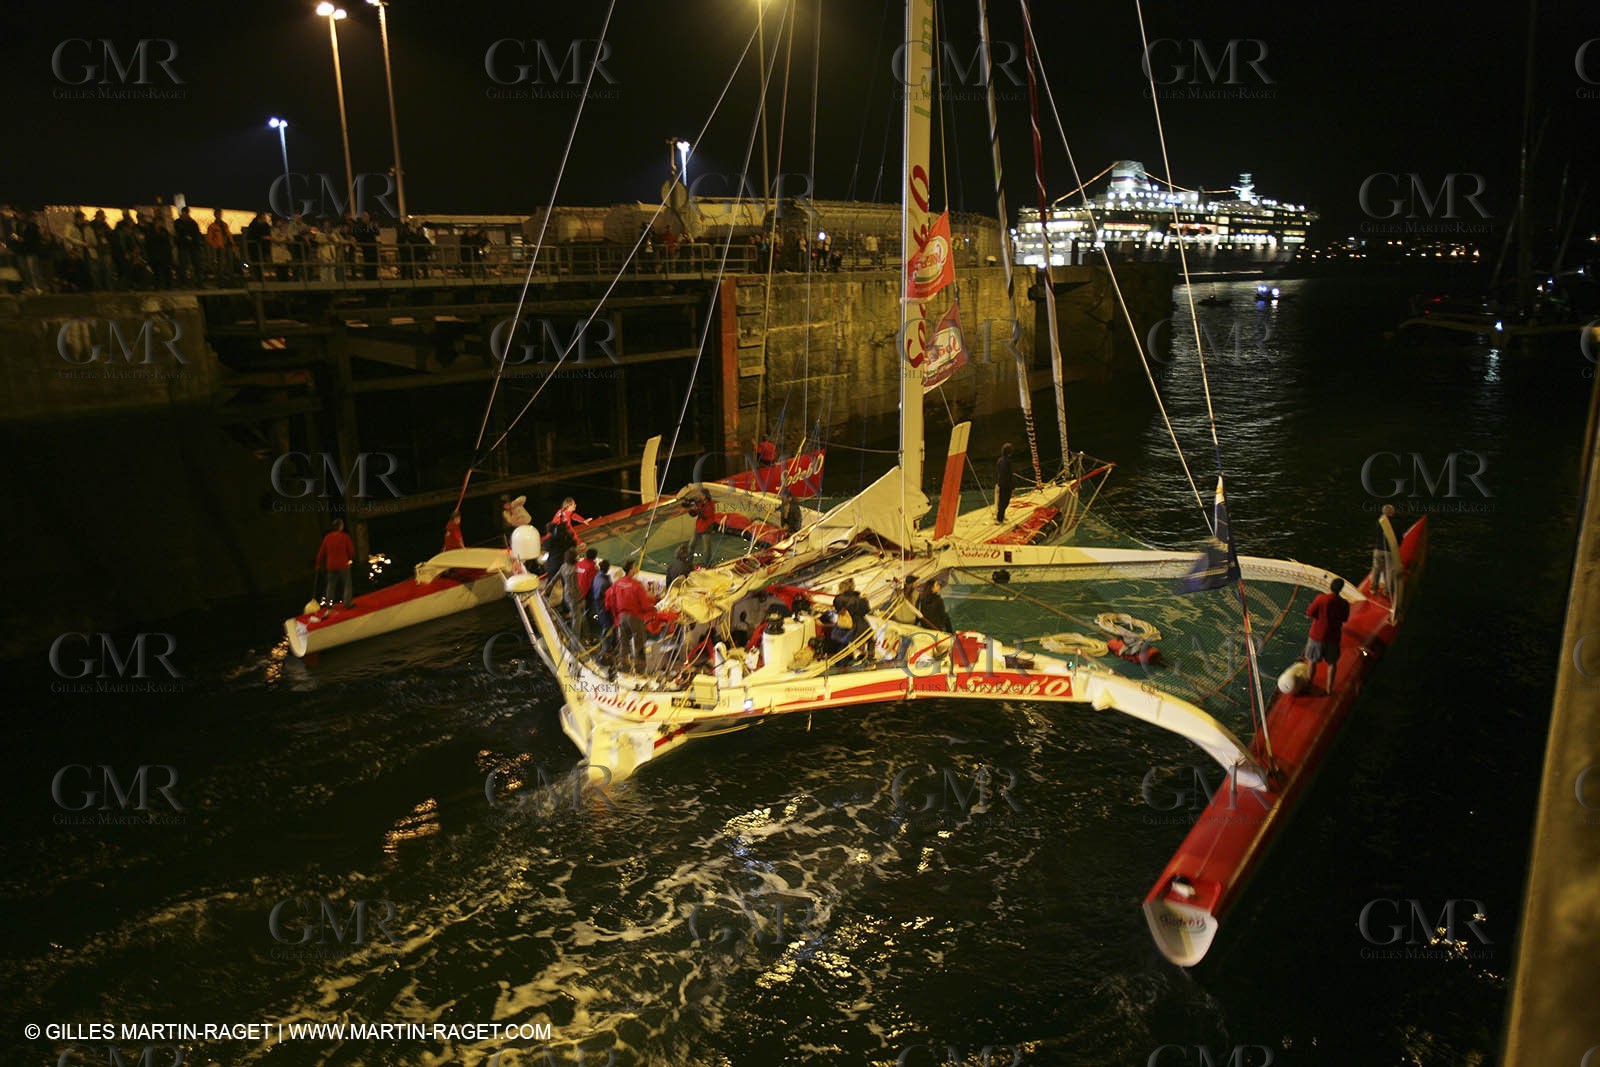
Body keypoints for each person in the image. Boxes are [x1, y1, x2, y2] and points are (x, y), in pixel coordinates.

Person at [605, 560, 656, 673]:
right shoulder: (636, 585)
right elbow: (644, 604)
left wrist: (616, 615)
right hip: (635, 617)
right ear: (632, 569)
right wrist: (653, 608)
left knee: (623, 643)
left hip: (622, 617)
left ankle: (624, 668)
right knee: (639, 644)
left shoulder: (617, 583)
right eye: (635, 567)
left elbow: (609, 600)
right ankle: (640, 670)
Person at [1303, 577, 1351, 694]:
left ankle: (1309, 685)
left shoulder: (1321, 599)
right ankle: (1329, 689)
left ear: (1330, 586)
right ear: (1341, 589)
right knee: (1332, 663)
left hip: (1317, 636)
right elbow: (1345, 619)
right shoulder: (1344, 603)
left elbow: (1309, 612)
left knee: (1312, 661)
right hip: (1333, 637)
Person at [315, 518, 356, 609]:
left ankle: (329, 603)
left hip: (331, 565)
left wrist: (318, 564)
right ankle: (347, 603)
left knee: (331, 585)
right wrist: (350, 559)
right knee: (347, 584)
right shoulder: (345, 537)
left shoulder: (327, 538)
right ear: (340, 527)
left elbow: (321, 553)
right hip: (343, 565)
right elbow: (351, 551)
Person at [830, 578, 872, 665]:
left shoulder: (839, 599)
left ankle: (841, 664)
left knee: (842, 643)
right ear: (852, 587)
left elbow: (838, 610)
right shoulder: (861, 599)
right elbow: (867, 611)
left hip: (846, 627)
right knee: (870, 638)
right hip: (862, 626)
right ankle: (870, 659)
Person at [1371, 504, 1401, 598]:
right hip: (1389, 551)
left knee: (1376, 568)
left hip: (1377, 550)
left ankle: (1373, 588)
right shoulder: (1396, 523)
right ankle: (1387, 591)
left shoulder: (1379, 522)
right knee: (1389, 571)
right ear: (1392, 513)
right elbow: (1399, 538)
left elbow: (1375, 534)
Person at [589, 558, 614, 655]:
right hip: (603, 606)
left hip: (598, 605)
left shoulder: (597, 577)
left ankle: (606, 646)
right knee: (607, 626)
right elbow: (608, 595)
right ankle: (605, 648)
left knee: (606, 626)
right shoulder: (605, 582)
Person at [689, 488, 719, 566]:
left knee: (707, 548)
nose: (699, 496)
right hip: (699, 526)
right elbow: (693, 514)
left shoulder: (710, 504)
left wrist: (697, 510)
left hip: (707, 527)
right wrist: (691, 509)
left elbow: (706, 515)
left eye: (701, 494)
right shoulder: (699, 502)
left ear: (705, 496)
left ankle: (707, 564)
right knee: (691, 545)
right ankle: (688, 561)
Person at [173, 206, 202, 286]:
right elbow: (178, 233)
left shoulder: (192, 222)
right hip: (183, 246)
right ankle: (183, 282)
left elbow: (196, 234)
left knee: (196, 264)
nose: (185, 214)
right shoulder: (178, 222)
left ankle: (197, 281)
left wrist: (195, 242)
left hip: (192, 246)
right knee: (183, 265)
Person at [205, 209, 233, 285]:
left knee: (228, 262)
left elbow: (228, 235)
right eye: (218, 214)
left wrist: (232, 243)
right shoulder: (212, 226)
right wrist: (215, 246)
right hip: (219, 248)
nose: (219, 215)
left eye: (220, 214)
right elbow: (209, 238)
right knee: (220, 263)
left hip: (226, 246)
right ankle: (220, 278)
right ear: (215, 215)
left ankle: (229, 277)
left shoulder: (224, 225)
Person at [558, 548, 583, 625]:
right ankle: (575, 636)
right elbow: (574, 586)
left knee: (575, 614)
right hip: (573, 596)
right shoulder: (573, 571)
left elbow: (555, 579)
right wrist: (580, 598)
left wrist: (546, 590)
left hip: (566, 593)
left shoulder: (563, 566)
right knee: (577, 618)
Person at [995, 442, 1015, 523]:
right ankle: (1000, 518)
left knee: (1001, 501)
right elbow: (1008, 474)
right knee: (1005, 502)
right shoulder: (1007, 461)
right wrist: (1012, 486)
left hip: (1001, 483)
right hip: (1006, 484)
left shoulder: (999, 460)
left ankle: (1001, 516)